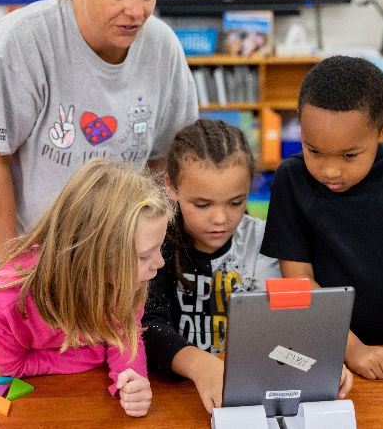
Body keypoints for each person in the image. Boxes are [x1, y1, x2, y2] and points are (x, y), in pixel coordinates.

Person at [0, 0, 198, 275]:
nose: (136, 10)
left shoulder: (163, 47)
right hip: (21, 238)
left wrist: (159, 243)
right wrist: (11, 265)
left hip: (112, 242)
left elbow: (164, 161)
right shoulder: (23, 41)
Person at [261, 56, 383, 381]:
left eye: (350, 155)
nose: (330, 170)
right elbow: (297, 282)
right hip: (329, 350)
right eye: (313, 150)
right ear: (300, 122)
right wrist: (352, 349)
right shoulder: (291, 180)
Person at [142, 120, 350, 413]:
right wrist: (200, 365)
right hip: (171, 394)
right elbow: (146, 325)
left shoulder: (263, 241)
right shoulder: (154, 241)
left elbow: (285, 325)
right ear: (171, 187)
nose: (220, 218)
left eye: (235, 202)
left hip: (248, 391)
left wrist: (314, 361)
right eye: (202, 204)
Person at [0, 159, 172, 417]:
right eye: (144, 256)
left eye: (159, 248)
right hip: (38, 410)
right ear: (94, 259)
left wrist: (132, 381)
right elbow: (13, 367)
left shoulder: (125, 281)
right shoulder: (5, 299)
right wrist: (95, 354)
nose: (159, 263)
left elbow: (125, 337)